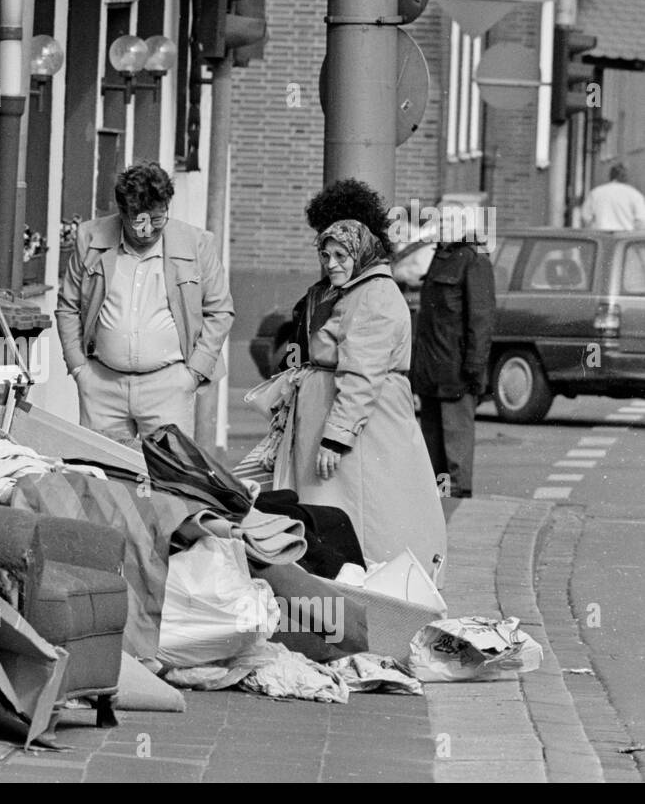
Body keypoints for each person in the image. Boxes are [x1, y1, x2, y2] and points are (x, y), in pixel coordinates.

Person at [278, 217, 447, 568]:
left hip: (363, 425)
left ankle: (374, 586)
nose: (331, 263)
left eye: (341, 255)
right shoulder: (357, 290)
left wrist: (336, 437)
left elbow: (362, 373)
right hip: (351, 418)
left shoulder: (372, 295)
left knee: (365, 511)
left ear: (360, 255)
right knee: (351, 508)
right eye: (325, 255)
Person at [56, 162, 234, 443]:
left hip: (169, 386)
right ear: (122, 211)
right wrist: (79, 367)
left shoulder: (197, 244)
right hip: (102, 386)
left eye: (158, 219)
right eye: (139, 221)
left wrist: (193, 373)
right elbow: (68, 306)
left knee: (169, 479)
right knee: (104, 479)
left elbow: (220, 310)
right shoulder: (90, 238)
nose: (148, 230)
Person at [411, 237, 496, 498]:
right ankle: (441, 499)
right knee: (433, 445)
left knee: (455, 444)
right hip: (432, 368)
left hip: (456, 369)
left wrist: (474, 366)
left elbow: (481, 318)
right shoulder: (440, 256)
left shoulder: (474, 258)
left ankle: (456, 500)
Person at [580, 163, 645, 231]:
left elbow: (585, 217)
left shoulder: (596, 192)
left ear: (610, 176)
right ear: (625, 177)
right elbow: (641, 221)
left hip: (601, 236)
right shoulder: (635, 194)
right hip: (625, 238)